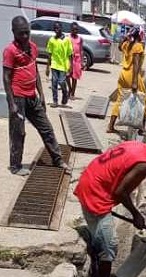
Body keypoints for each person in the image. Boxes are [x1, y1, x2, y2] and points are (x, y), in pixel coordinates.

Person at [74, 131, 146, 277]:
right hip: (95, 195)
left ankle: (96, 255)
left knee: (102, 239)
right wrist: (136, 214)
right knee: (110, 246)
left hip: (89, 181)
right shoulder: (145, 164)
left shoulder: (136, 145)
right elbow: (120, 192)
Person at [3, 16, 71, 176]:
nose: (25, 36)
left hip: (32, 96)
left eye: (27, 32)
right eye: (21, 34)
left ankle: (58, 160)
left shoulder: (33, 47)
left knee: (46, 128)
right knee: (18, 133)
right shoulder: (10, 51)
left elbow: (36, 72)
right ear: (14, 33)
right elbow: (6, 77)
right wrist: (11, 102)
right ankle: (15, 166)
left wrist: (41, 94)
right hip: (18, 98)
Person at [107, 26, 146, 133]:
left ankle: (110, 126)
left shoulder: (127, 44)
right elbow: (136, 63)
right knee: (145, 101)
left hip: (123, 74)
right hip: (132, 75)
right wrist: (135, 82)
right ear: (139, 35)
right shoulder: (138, 46)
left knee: (119, 99)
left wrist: (125, 38)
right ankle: (142, 129)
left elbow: (119, 47)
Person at [46, 21, 73, 107]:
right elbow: (49, 54)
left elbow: (70, 53)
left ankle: (65, 93)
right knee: (54, 83)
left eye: (58, 28)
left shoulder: (67, 40)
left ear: (61, 28)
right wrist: (47, 66)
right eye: (55, 28)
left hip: (63, 65)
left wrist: (71, 66)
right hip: (54, 64)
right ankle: (55, 101)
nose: (56, 30)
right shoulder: (51, 40)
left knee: (61, 81)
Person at [66, 22, 83, 100]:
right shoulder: (68, 38)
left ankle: (72, 93)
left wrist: (82, 62)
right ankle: (69, 89)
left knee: (74, 77)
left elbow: (81, 50)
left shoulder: (80, 39)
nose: (75, 31)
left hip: (77, 59)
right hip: (69, 58)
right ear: (71, 29)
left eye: (76, 29)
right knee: (67, 75)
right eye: (73, 29)